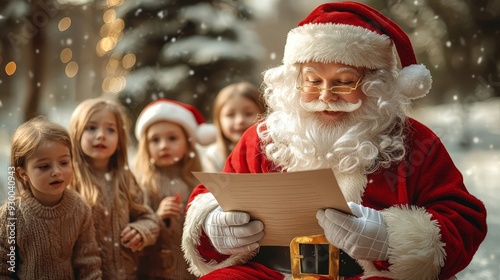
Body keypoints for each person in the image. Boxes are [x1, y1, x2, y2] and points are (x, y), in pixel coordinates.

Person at [181, 2, 488, 280]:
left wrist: (390, 239)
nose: (326, 96)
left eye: (343, 82)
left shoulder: (415, 143)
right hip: (272, 272)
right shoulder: (261, 138)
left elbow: (464, 219)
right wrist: (213, 225)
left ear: (374, 84)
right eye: (312, 81)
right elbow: (211, 194)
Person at [68, 97, 160, 280]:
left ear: (120, 139)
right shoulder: (69, 180)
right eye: (91, 128)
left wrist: (141, 230)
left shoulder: (125, 179)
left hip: (126, 274)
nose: (101, 135)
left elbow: (148, 217)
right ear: (76, 133)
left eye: (110, 129)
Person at [0, 116, 102, 279]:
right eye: (44, 166)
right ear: (23, 173)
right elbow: (4, 267)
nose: (56, 172)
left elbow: (88, 262)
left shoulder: (79, 209)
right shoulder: (12, 215)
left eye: (64, 162)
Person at [133, 99, 215, 279]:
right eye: (155, 139)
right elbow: (137, 224)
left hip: (192, 270)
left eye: (172, 138)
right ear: (145, 146)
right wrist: (159, 216)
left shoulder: (196, 180)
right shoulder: (144, 183)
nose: (163, 145)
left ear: (187, 143)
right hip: (155, 271)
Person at [201, 82, 266, 172]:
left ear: (264, 116)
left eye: (248, 113)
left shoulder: (272, 153)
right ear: (218, 120)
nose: (240, 120)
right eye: (230, 115)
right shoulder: (213, 156)